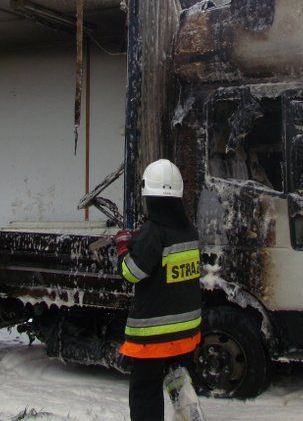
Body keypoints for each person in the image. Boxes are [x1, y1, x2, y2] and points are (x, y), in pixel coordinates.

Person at [115, 159, 204, 421]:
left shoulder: (153, 232)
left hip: (153, 333)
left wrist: (122, 249)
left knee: (145, 390)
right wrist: (139, 242)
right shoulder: (188, 230)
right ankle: (189, 414)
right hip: (186, 329)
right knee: (177, 379)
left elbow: (132, 273)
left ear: (149, 196)